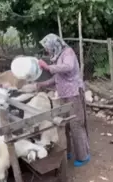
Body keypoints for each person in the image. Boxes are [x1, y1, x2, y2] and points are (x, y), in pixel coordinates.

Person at [36, 33, 90, 167]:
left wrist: (48, 67)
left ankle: (83, 156)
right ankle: (68, 151)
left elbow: (68, 67)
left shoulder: (68, 53)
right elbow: (58, 78)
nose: (47, 50)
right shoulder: (57, 56)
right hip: (63, 95)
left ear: (54, 44)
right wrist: (43, 84)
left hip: (73, 93)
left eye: (47, 47)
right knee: (65, 124)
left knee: (76, 124)